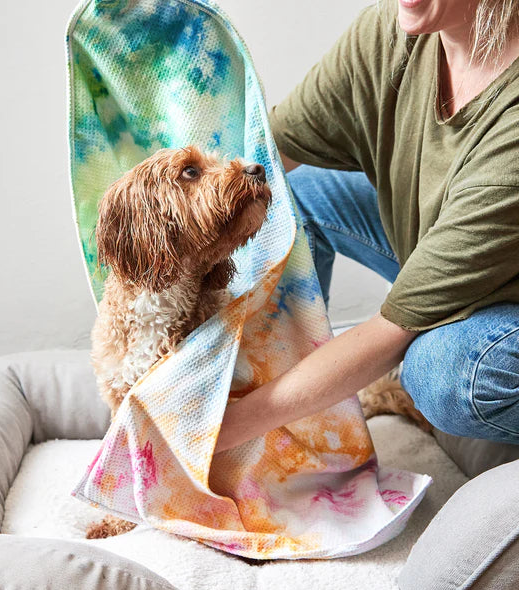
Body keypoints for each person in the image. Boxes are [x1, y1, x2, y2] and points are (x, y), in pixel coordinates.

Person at [215, 0, 519, 453]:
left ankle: (287, 423)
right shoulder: (394, 31)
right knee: (291, 198)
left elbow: (393, 327)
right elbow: (261, 157)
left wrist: (217, 433)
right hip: (471, 246)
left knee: (445, 373)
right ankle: (284, 408)